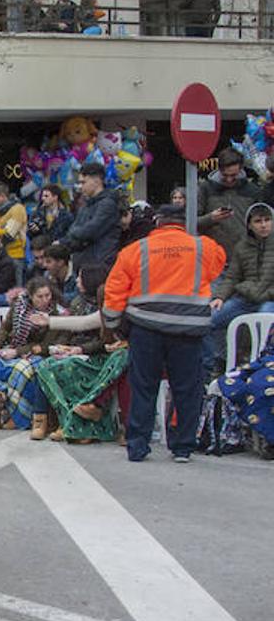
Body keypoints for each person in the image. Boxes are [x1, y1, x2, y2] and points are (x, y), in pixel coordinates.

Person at [104, 203, 226, 462]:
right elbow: (217, 267)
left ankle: (138, 446)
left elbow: (114, 292)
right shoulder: (204, 247)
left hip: (146, 329)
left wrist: (114, 325)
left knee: (144, 387)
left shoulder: (135, 251)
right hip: (189, 331)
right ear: (184, 223)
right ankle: (182, 447)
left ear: (157, 222)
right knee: (186, 388)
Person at [38, 264, 131, 444]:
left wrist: (120, 345)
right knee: (48, 366)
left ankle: (93, 406)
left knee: (123, 357)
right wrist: (49, 321)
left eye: (81, 277)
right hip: (98, 356)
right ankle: (73, 423)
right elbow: (82, 323)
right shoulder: (96, 309)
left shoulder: (129, 313)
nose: (78, 281)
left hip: (112, 359)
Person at [0, 277, 63, 438]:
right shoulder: (19, 305)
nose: (45, 300)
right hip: (15, 348)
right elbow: (6, 327)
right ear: (31, 296)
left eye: (47, 295)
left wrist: (17, 352)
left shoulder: (56, 313)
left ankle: (20, 416)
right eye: (40, 296)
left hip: (39, 352)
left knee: (21, 369)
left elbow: (47, 345)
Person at [205, 202, 274, 373]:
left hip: (270, 299)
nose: (264, 225)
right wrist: (219, 297)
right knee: (209, 319)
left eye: (267, 220)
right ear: (249, 225)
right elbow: (232, 276)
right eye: (258, 221)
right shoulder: (242, 246)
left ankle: (260, 369)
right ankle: (216, 362)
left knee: (262, 323)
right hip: (245, 298)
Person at [197, 148, 260, 263]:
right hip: (212, 259)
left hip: (244, 259)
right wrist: (211, 218)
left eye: (234, 175)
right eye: (225, 175)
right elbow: (191, 222)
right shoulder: (205, 189)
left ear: (241, 169)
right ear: (219, 169)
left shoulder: (253, 191)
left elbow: (262, 225)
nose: (229, 179)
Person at [63, 162, 120, 275]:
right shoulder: (85, 206)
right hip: (84, 265)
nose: (80, 187)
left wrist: (75, 233)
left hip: (99, 266)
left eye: (83, 182)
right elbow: (73, 232)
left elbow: (90, 231)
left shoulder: (107, 204)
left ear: (97, 180)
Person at [0, 180, 28, 266]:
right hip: (0, 255)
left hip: (15, 256)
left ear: (3, 196)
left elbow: (9, 235)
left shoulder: (18, 209)